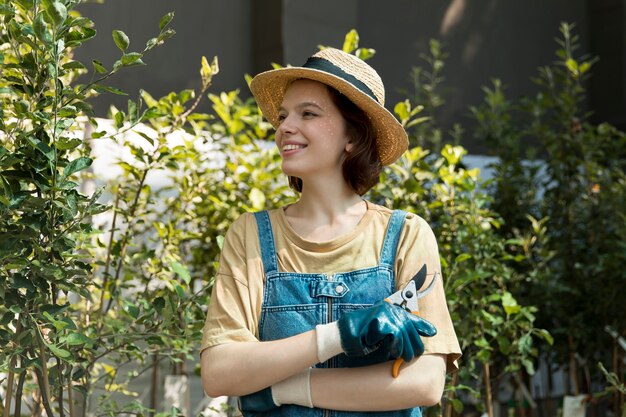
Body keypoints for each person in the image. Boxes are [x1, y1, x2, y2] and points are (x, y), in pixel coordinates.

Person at [200, 47, 461, 416]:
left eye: (308, 113)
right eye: (283, 115)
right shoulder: (251, 236)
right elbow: (219, 372)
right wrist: (338, 335)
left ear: (352, 136)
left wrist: (283, 389)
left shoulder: (405, 235)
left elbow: (425, 382)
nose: (285, 127)